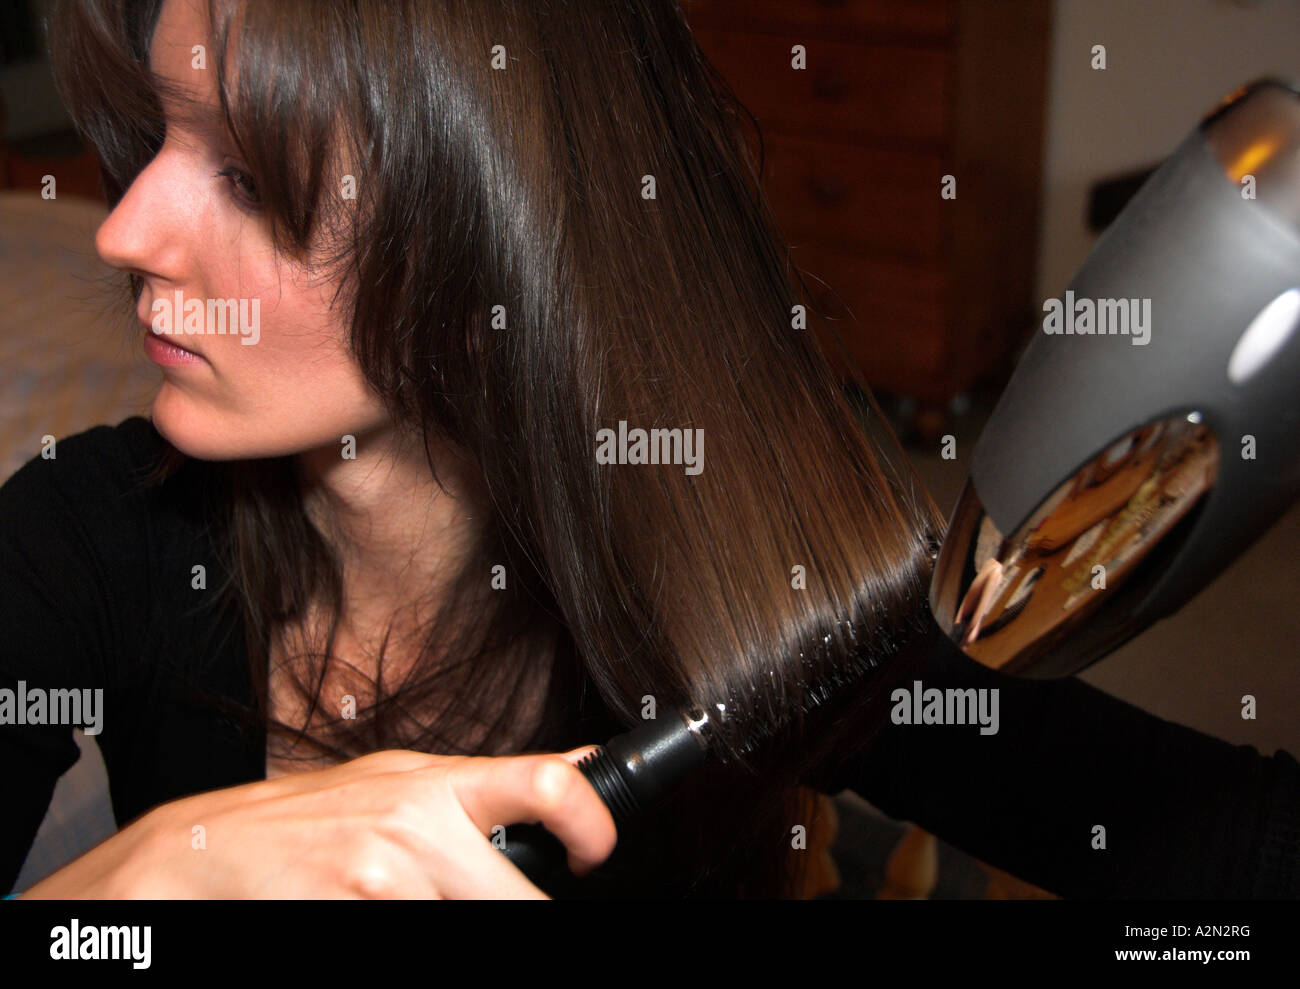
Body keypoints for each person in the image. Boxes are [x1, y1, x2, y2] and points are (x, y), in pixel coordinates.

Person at [2, 0, 1294, 899]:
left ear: (487, 235)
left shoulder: (740, 600)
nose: (123, 231)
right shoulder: (92, 538)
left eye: (244, 174)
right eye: (160, 132)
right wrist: (157, 871)